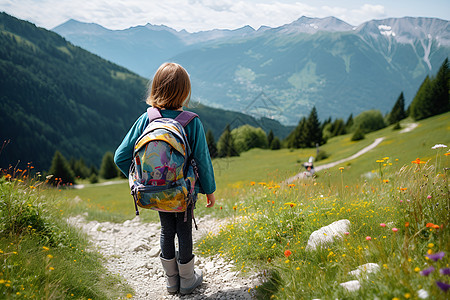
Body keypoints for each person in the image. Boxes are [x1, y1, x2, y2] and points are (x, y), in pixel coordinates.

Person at [114, 62, 216, 295]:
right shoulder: (191, 122)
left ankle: (172, 282)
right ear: (185, 91)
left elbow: (120, 156)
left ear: (156, 88)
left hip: (155, 190)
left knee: (166, 230)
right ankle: (188, 279)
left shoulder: (146, 119)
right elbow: (202, 160)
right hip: (182, 191)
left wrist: (141, 181)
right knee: (184, 229)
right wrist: (209, 189)